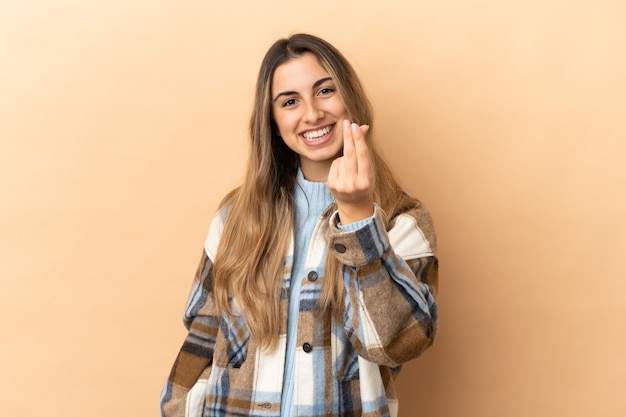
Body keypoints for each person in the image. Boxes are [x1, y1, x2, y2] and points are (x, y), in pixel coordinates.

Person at [160, 33, 438, 417]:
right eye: (290, 101)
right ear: (273, 121)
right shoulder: (236, 218)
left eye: (325, 91)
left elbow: (398, 343)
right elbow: (204, 332)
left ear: (349, 101)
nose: (311, 114)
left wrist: (359, 217)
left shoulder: (402, 221)